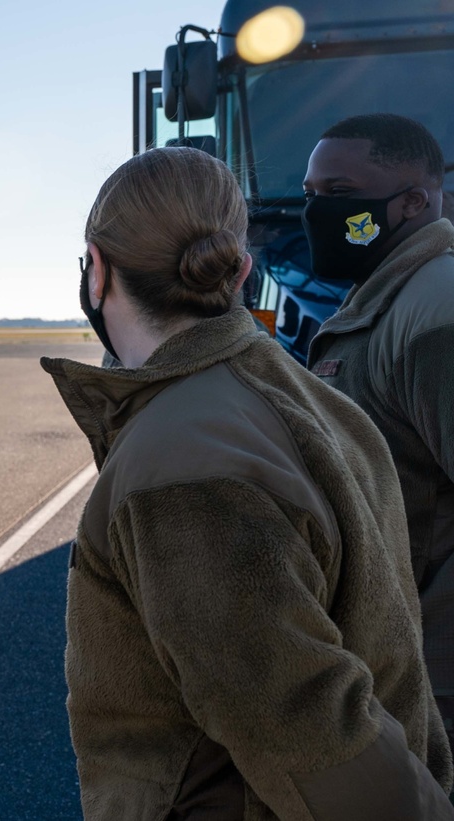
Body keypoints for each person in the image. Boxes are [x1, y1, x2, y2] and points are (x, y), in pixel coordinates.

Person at [42, 146, 453, 819]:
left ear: (96, 269)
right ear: (241, 269)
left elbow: (312, 731)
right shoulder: (304, 395)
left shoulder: (183, 465)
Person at [304, 114, 454, 766]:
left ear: (414, 201)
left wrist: (432, 674)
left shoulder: (436, 310)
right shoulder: (382, 296)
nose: (317, 212)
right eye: (310, 193)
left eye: (338, 194)